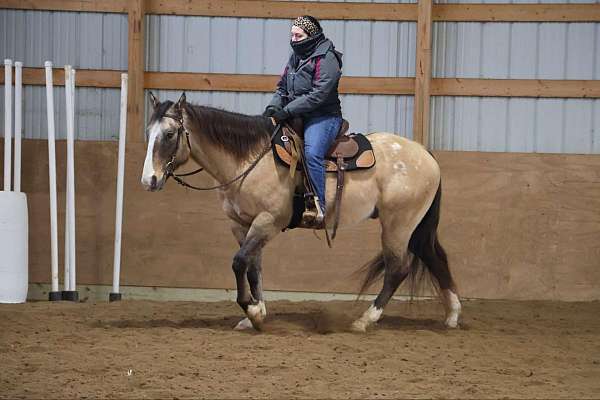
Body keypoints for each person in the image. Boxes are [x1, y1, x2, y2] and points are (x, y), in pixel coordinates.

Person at [263, 15, 343, 225]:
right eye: (292, 35)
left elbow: (319, 94)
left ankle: (318, 206)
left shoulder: (327, 58)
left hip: (323, 117)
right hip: (296, 114)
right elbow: (282, 87)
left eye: (298, 35)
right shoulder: (295, 57)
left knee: (312, 153)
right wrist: (274, 105)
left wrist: (287, 110)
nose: (294, 39)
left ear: (311, 35)